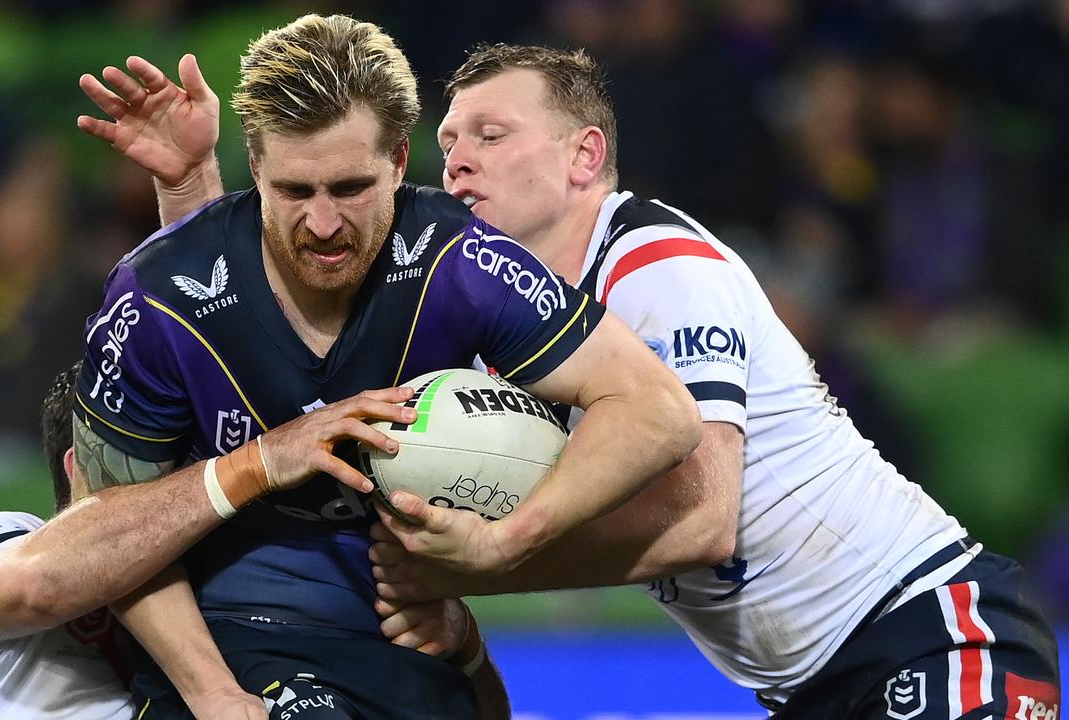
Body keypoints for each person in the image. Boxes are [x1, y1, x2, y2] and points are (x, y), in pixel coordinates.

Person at [104, 39, 1060, 719]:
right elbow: (235, 346)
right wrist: (189, 189)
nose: (459, 157)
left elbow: (704, 518)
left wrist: (487, 559)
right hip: (802, 686)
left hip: (930, 626)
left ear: (584, 157)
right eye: (448, 142)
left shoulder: (655, 260)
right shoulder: (496, 331)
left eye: (491, 131)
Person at [72, 14, 699, 720]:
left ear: (400, 161)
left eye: (350, 188)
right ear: (255, 168)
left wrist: (505, 543)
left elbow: (660, 413)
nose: (324, 224)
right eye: (294, 192)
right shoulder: (158, 294)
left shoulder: (459, 260)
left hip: (403, 642)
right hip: (226, 646)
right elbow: (109, 536)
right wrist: (210, 692)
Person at [0, 360, 506, 719]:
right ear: (78, 463)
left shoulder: (212, 588)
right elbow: (39, 588)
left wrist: (465, 646)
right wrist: (255, 464)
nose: (177, 483)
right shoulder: (1, 540)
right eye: (154, 462)